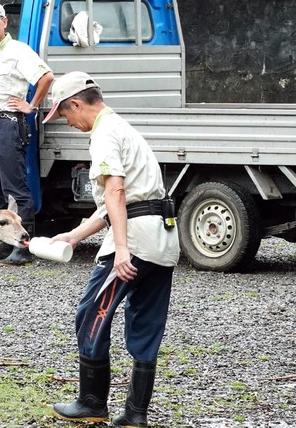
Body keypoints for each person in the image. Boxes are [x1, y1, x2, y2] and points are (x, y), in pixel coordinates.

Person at [42, 71, 180, 427]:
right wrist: (74, 235)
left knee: (90, 314)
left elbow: (116, 193)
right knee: (145, 321)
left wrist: (121, 251)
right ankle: (135, 414)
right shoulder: (123, 129)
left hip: (134, 240)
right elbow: (113, 205)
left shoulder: (104, 134)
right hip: (162, 238)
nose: (67, 123)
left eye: (65, 115)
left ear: (76, 103)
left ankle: (92, 402)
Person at [0, 1, 54, 265]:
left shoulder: (18, 51)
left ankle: (23, 248)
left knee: (14, 188)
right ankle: (1, 243)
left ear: (4, 22)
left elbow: (46, 77)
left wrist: (30, 106)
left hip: (9, 123)